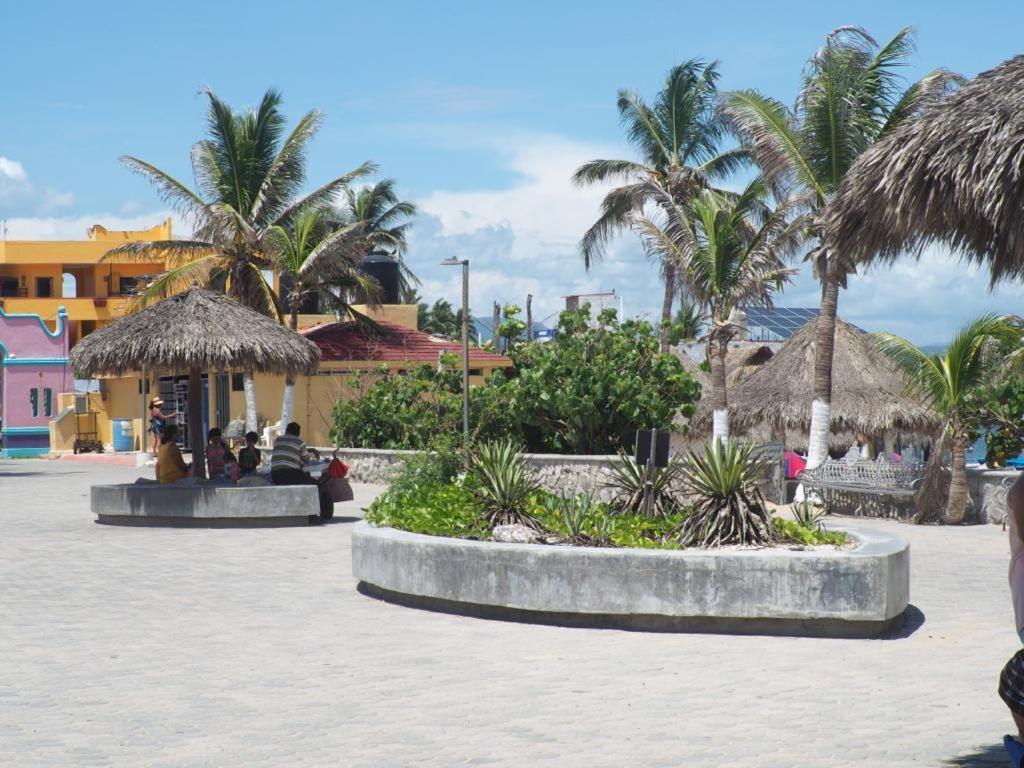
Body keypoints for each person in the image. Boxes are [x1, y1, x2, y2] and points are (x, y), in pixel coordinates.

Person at [270, 422, 332, 522]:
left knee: (302, 480)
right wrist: (309, 452)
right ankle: (315, 514)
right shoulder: (299, 442)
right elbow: (306, 460)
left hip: (275, 475)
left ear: (286, 430)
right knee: (317, 486)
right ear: (298, 433)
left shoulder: (278, 440)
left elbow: (289, 451)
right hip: (291, 474)